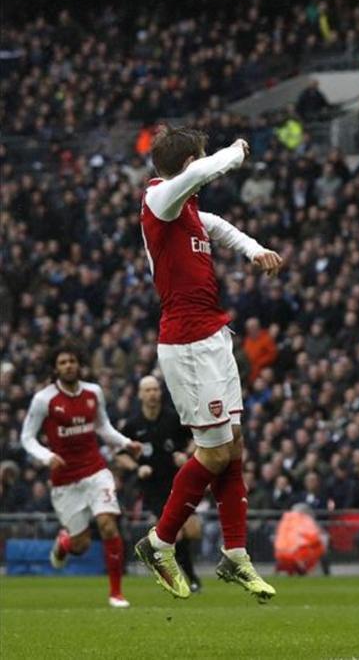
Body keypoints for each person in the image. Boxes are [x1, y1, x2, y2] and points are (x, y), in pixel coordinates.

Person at [133, 126, 283, 602]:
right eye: (196, 162)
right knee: (214, 453)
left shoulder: (190, 212)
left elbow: (221, 227)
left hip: (214, 337)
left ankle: (235, 555)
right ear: (186, 164)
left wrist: (254, 249)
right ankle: (160, 543)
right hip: (188, 344)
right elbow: (202, 170)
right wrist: (234, 153)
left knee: (233, 447)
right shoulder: (160, 199)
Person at [20, 345, 143, 608]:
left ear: (79, 364)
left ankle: (116, 593)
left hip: (95, 470)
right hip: (65, 481)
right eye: (62, 362)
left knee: (108, 524)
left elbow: (103, 427)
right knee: (81, 545)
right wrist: (45, 456)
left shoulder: (93, 392)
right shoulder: (44, 399)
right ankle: (64, 543)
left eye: (72, 361)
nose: (68, 366)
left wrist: (126, 443)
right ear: (55, 368)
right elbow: (26, 437)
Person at [122, 375, 202, 591]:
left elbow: (197, 438)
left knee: (194, 531)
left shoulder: (173, 418)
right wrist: (137, 467)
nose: (152, 394)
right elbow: (120, 454)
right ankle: (192, 578)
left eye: (155, 389)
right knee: (178, 532)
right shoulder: (132, 425)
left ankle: (162, 554)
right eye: (147, 390)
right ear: (140, 395)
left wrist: (185, 454)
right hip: (154, 489)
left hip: (179, 482)